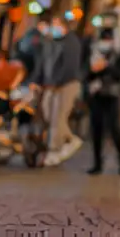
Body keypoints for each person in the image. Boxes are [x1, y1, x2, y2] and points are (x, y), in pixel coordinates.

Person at [34, 16, 84, 166]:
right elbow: (44, 62)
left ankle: (53, 150)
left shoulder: (71, 42)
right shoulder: (51, 41)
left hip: (65, 84)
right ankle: (70, 139)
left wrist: (56, 82)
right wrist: (38, 80)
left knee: (58, 117)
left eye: (56, 25)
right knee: (48, 113)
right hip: (51, 84)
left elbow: (69, 66)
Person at [85, 26, 120, 175]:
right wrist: (93, 71)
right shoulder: (93, 51)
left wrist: (107, 66)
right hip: (96, 93)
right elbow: (87, 72)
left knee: (114, 128)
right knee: (96, 129)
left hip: (112, 93)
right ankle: (97, 163)